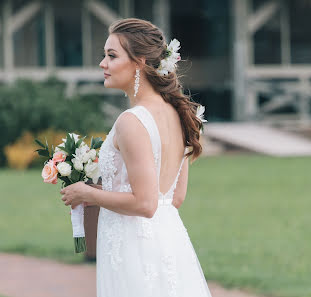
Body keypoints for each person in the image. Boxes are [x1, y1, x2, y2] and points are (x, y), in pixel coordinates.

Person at [59, 18, 212, 297]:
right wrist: (97, 190)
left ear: (139, 62)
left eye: (112, 56)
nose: (102, 64)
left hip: (133, 250)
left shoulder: (132, 121)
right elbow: (173, 198)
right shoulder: (178, 114)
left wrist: (87, 193)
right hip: (168, 242)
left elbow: (145, 202)